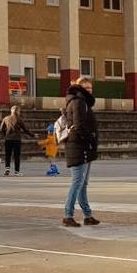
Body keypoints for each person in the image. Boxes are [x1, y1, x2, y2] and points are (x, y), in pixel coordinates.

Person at [61, 76, 100, 227]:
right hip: (79, 147)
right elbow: (79, 126)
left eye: (91, 88)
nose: (89, 90)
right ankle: (68, 215)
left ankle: (87, 215)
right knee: (77, 182)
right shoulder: (78, 102)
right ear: (80, 88)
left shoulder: (82, 102)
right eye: (86, 88)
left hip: (84, 147)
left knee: (83, 183)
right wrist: (91, 138)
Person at [0, 105, 35, 176]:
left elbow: (1, 129)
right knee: (16, 156)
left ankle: (7, 169)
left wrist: (5, 135)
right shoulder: (19, 120)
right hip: (16, 140)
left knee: (8, 155)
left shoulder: (6, 118)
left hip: (8, 139)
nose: (19, 112)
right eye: (19, 111)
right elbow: (25, 130)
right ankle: (16, 171)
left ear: (11, 111)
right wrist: (33, 135)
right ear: (17, 111)